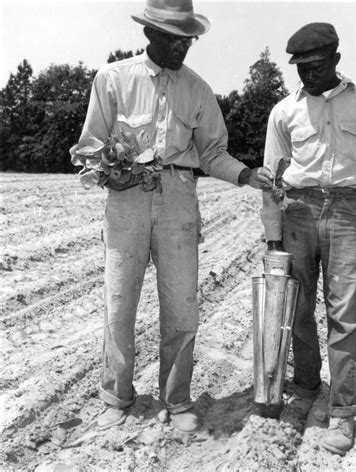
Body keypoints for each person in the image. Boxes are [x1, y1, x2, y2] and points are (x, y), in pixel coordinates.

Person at [71, 0, 273, 433]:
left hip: (179, 197)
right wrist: (109, 172)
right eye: (173, 39)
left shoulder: (198, 90)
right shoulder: (112, 80)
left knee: (182, 308)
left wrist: (246, 175)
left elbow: (213, 152)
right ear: (149, 34)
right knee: (119, 305)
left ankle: (177, 399)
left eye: (188, 40)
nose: (182, 48)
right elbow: (89, 145)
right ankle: (116, 396)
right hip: (125, 203)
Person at [261, 22, 356, 455]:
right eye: (301, 68)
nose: (309, 75)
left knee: (346, 313)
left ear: (337, 60)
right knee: (297, 308)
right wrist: (271, 237)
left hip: (344, 211)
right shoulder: (284, 111)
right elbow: (271, 179)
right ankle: (304, 388)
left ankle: (342, 412)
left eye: (317, 66)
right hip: (296, 211)